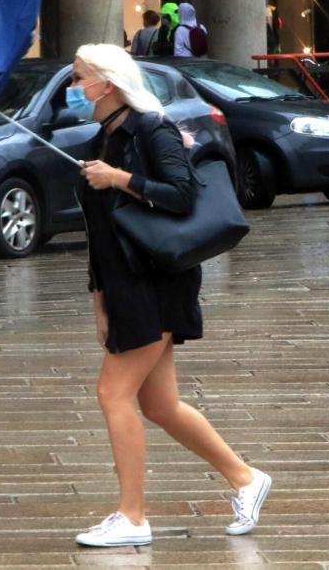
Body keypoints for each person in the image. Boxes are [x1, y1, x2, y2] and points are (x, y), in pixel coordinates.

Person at [69, 44, 271, 547]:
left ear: (107, 82)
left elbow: (181, 194)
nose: (73, 89)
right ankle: (246, 478)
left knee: (112, 393)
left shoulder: (151, 129)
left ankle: (132, 516)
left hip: (155, 280)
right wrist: (99, 299)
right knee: (160, 405)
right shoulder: (102, 137)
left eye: (78, 79)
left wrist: (118, 178)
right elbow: (99, 232)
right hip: (124, 283)